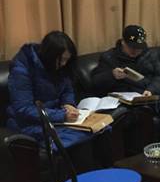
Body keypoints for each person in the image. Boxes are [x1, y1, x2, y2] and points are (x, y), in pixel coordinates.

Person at [7, 31, 109, 170]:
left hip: (56, 117)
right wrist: (62, 115)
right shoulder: (22, 68)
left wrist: (68, 104)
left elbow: (67, 89)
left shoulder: (61, 67)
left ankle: (106, 173)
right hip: (29, 122)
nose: (63, 64)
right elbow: (23, 108)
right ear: (49, 56)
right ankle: (85, 179)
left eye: (67, 60)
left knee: (101, 129)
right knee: (80, 139)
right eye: (61, 60)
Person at [91, 25, 160, 142]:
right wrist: (111, 75)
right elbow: (95, 81)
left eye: (139, 48)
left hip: (150, 91)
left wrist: (151, 90)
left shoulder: (149, 54)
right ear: (123, 42)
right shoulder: (109, 57)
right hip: (131, 97)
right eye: (131, 47)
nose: (135, 51)